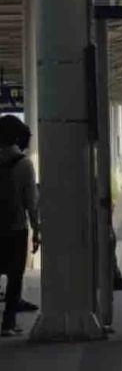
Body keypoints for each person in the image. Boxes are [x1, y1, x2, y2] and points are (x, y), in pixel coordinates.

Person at [0, 115, 40, 337]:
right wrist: (37, 230)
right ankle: (8, 323)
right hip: (15, 227)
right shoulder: (24, 164)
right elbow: (31, 203)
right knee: (15, 276)